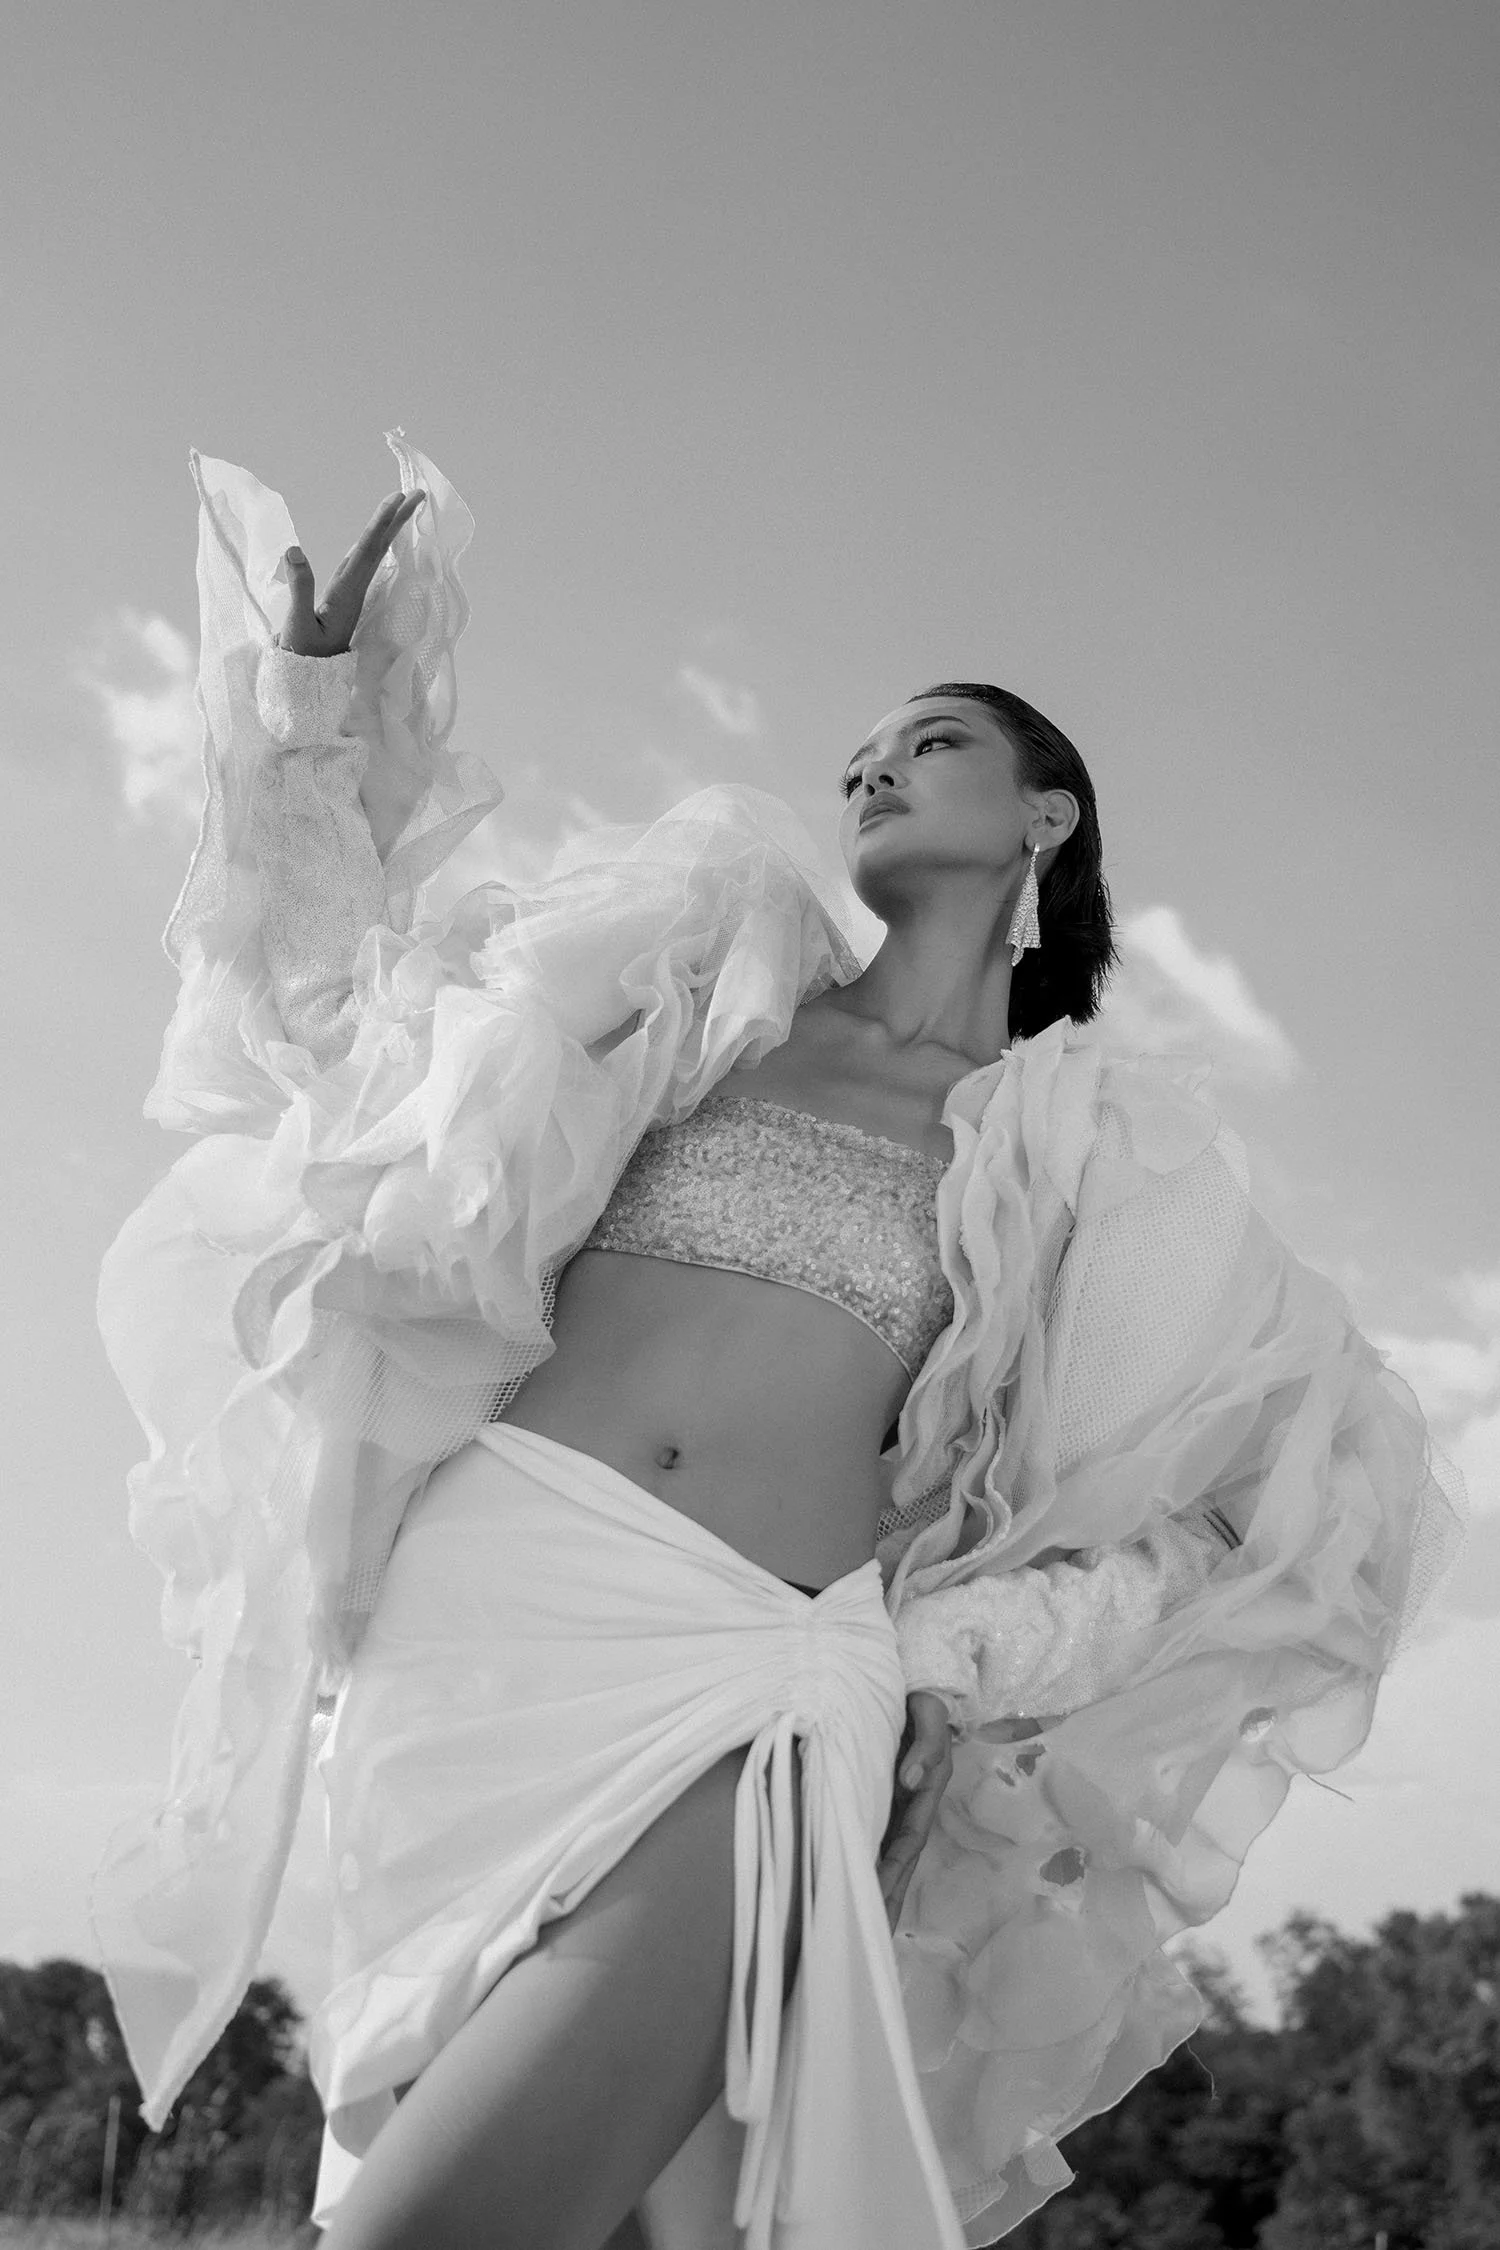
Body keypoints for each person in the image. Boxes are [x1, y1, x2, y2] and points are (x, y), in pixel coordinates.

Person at [93, 439, 1463, 2250]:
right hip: (476, 1636)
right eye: (861, 754)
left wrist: (952, 1639)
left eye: (936, 740)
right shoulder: (707, 989)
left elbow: (1300, 1506)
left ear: (1048, 816)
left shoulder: (1083, 1145)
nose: (874, 762)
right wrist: (311, 717)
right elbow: (351, 1061)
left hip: (759, 1679)